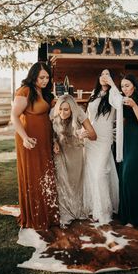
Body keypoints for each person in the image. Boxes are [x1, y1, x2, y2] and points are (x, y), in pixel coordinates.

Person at [11, 62, 59, 230]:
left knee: (45, 174)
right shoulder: (24, 90)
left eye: (47, 77)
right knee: (34, 175)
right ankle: (35, 216)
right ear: (34, 76)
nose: (45, 80)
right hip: (29, 140)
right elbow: (14, 116)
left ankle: (48, 214)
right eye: (42, 77)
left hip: (44, 140)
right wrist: (24, 137)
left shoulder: (44, 92)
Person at [108, 74, 138, 227]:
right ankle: (126, 215)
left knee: (133, 176)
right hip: (125, 141)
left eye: (127, 85)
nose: (124, 89)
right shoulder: (122, 100)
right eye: (122, 86)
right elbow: (124, 121)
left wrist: (134, 106)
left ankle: (136, 217)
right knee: (124, 177)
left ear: (134, 85)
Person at [51, 94, 97, 228]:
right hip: (60, 151)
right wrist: (54, 142)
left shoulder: (80, 114)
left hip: (76, 151)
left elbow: (94, 135)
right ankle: (65, 213)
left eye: (66, 110)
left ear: (72, 109)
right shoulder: (53, 114)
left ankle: (76, 209)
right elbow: (51, 133)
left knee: (74, 182)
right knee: (62, 181)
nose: (62, 113)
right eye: (60, 109)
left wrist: (84, 134)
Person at [83, 69, 121, 224]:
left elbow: (119, 103)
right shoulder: (94, 93)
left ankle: (103, 210)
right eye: (102, 74)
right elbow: (88, 116)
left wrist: (111, 83)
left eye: (108, 74)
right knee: (91, 173)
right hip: (91, 138)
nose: (104, 77)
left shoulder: (113, 94)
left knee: (99, 173)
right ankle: (93, 208)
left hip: (104, 139)